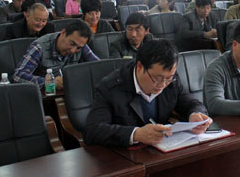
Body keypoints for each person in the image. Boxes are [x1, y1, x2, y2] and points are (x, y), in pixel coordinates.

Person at [83, 39, 211, 146]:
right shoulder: (110, 88)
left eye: (168, 78)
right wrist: (136, 134)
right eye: (157, 78)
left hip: (162, 150)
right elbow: (92, 131)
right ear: (139, 67)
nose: (162, 85)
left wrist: (195, 114)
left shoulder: (171, 80)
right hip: (125, 156)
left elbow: (191, 103)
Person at [13, 20, 99, 89]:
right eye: (72, 43)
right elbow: (18, 75)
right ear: (63, 32)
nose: (73, 50)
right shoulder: (39, 47)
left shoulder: (80, 44)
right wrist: (49, 82)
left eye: (78, 48)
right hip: (45, 97)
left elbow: (99, 66)